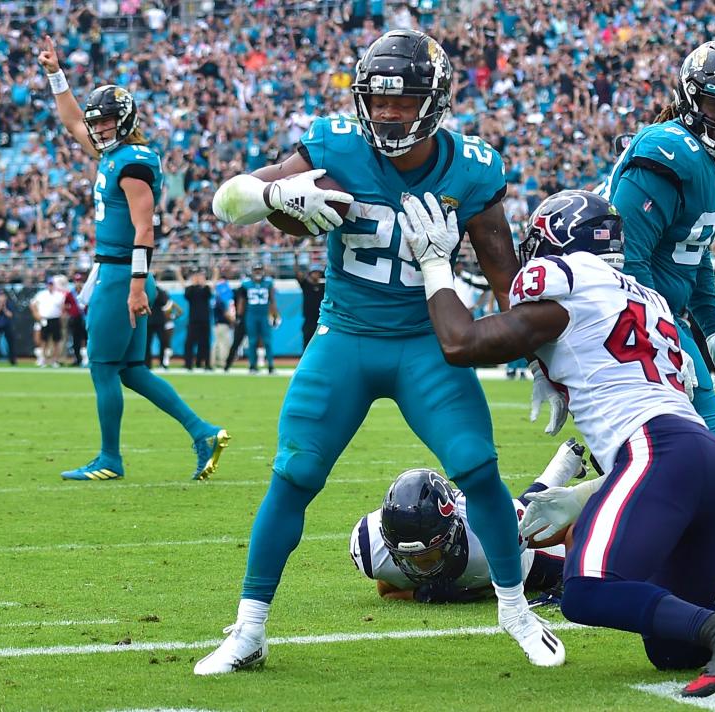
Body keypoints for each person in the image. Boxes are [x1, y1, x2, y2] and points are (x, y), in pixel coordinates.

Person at [200, 29, 564, 674]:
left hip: (427, 343)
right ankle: (249, 629)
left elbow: (505, 273)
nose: (389, 113)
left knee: (477, 467)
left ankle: (515, 608)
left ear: (437, 99)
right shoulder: (336, 145)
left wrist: (544, 354)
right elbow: (227, 200)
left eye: (405, 101)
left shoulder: (472, 166)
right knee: (295, 473)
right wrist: (274, 195)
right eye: (379, 100)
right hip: (344, 337)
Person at [398, 187, 715, 697]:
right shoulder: (647, 297)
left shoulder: (563, 281)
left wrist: (436, 266)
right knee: (671, 646)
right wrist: (545, 361)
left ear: (554, 245)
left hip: (659, 451)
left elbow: (461, 343)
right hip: (711, 463)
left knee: (586, 591)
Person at [38, 36, 229, 482]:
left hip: (121, 273)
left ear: (123, 121)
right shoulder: (118, 155)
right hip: (120, 272)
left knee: (103, 367)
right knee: (132, 370)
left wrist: (138, 287)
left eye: (105, 123)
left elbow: (146, 229)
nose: (98, 130)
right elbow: (71, 122)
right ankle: (202, 432)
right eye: (97, 124)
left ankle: (110, 458)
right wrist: (55, 73)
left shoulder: (132, 164)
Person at [598, 40, 715, 443]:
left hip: (652, 311)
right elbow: (627, 260)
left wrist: (714, 328)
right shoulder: (669, 151)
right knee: (701, 447)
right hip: (617, 309)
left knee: (682, 452)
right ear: (691, 99)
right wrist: (665, 335)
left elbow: (695, 250)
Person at [351, 440, 590, 603]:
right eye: (408, 559)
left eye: (428, 558)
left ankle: (572, 464)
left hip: (523, 558)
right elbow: (387, 587)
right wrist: (420, 593)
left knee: (584, 565)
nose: (420, 567)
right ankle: (567, 461)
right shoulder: (371, 546)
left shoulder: (484, 536)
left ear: (452, 535)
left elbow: (532, 513)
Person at [240, 264, 279, 374]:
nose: (258, 272)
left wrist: (275, 315)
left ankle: (271, 365)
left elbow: (272, 300)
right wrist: (239, 316)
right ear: (252, 271)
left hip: (264, 316)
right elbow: (242, 301)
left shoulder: (268, 283)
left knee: (267, 341)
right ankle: (252, 366)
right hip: (251, 315)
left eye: (259, 270)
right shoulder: (246, 284)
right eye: (256, 270)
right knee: (252, 341)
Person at [30, 277, 65, 368]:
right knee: (43, 340)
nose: (50, 286)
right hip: (45, 319)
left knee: (56, 341)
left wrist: (61, 319)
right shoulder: (41, 294)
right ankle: (43, 359)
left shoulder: (59, 295)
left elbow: (62, 307)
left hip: (55, 319)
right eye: (49, 284)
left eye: (51, 284)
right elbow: (33, 304)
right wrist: (36, 315)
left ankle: (54, 360)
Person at [293, 251, 325, 351]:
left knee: (321, 344)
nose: (317, 274)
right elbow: (297, 274)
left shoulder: (324, 285)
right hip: (309, 320)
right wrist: (296, 259)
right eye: (315, 272)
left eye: (318, 273)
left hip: (321, 319)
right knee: (307, 343)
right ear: (310, 273)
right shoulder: (306, 285)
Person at [183, 269, 212, 371]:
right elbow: (187, 296)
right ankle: (188, 364)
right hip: (193, 320)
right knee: (189, 343)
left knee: (205, 343)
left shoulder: (206, 288)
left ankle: (206, 364)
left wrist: (203, 284)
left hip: (205, 320)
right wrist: (193, 284)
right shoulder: (190, 289)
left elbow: (209, 295)